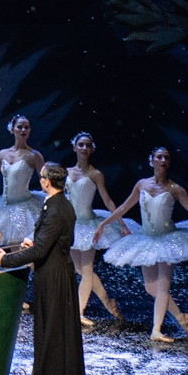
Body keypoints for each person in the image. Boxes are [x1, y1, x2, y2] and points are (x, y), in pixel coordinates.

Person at [0, 163, 86, 375]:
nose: (39, 179)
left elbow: (42, 250)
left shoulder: (57, 209)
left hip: (55, 276)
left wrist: (5, 260)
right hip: (52, 272)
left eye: (41, 176)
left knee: (54, 330)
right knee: (50, 329)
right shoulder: (57, 204)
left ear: (47, 182)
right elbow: (50, 243)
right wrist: (33, 245)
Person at [103, 146, 188, 342]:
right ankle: (181, 317)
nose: (163, 160)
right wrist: (104, 224)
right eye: (159, 157)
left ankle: (156, 330)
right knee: (151, 288)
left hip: (168, 241)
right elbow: (124, 207)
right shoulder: (141, 185)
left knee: (163, 288)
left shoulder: (175, 189)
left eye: (166, 157)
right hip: (146, 240)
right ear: (152, 161)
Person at [63, 132, 132, 327]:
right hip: (72, 225)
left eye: (88, 145)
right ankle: (108, 302)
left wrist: (122, 224)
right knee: (79, 269)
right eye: (81, 145)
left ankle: (79, 311)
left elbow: (107, 200)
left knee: (86, 269)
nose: (84, 148)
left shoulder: (95, 174)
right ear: (74, 148)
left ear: (92, 149)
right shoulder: (66, 172)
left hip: (88, 225)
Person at [0, 115, 45, 248]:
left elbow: (44, 180)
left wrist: (52, 199)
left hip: (24, 206)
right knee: (13, 248)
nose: (23, 130)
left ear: (29, 131)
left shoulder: (34, 155)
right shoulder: (2, 154)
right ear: (12, 130)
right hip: (5, 206)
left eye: (26, 127)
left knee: (25, 247)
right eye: (20, 127)